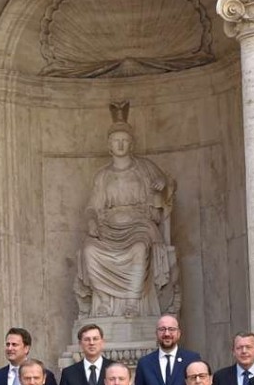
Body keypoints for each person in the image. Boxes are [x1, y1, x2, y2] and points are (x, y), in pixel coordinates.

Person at [75, 102, 177, 319]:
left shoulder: (145, 168)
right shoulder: (102, 176)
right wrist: (93, 221)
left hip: (139, 226)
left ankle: (132, 302)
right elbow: (92, 207)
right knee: (90, 251)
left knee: (139, 249)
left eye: (124, 141)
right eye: (116, 141)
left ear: (131, 144)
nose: (120, 145)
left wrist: (161, 186)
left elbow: (166, 187)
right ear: (109, 145)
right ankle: (102, 302)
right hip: (109, 229)